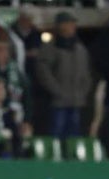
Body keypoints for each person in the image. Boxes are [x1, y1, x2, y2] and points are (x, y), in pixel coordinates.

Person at [35, 11, 92, 140]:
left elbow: (86, 73)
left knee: (74, 135)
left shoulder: (80, 49)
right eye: (68, 23)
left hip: (77, 101)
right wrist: (57, 91)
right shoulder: (49, 48)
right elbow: (43, 73)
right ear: (60, 26)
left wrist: (83, 91)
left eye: (73, 24)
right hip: (57, 102)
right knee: (56, 132)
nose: (72, 27)